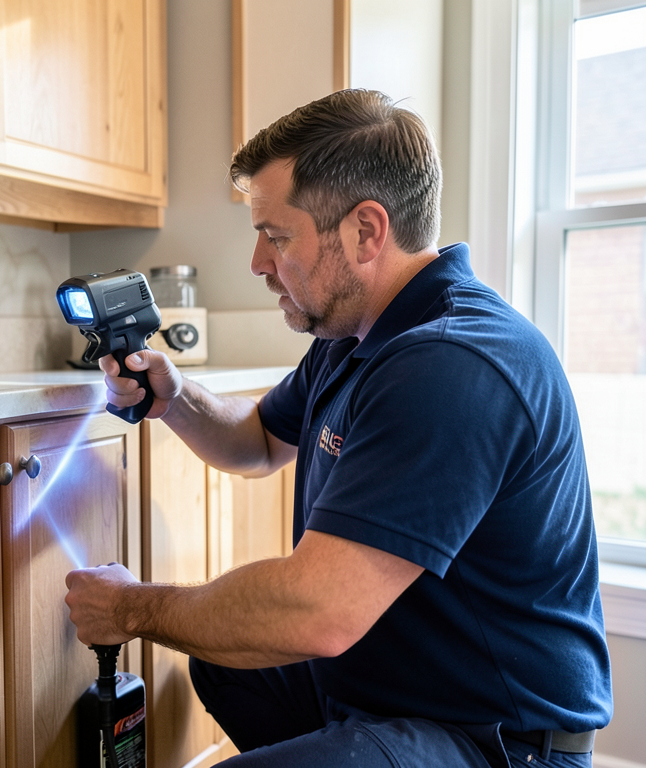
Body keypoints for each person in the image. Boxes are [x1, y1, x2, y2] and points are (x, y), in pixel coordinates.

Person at [63, 89, 612, 768]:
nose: (259, 264)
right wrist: (176, 399)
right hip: (402, 691)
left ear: (365, 231)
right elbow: (259, 441)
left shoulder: (451, 364)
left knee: (261, 627)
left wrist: (132, 610)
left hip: (494, 740)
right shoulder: (358, 335)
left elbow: (318, 612)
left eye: (275, 235)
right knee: (225, 661)